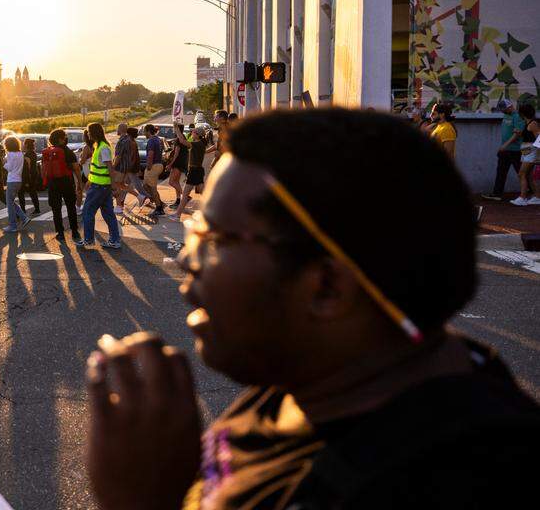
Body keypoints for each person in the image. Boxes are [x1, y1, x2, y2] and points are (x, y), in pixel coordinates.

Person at [84, 108, 540, 510]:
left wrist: (144, 501)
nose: (186, 257)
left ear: (326, 287)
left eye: (214, 238)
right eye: (194, 225)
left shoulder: (438, 480)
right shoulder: (320, 377)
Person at [80, 122, 121, 248]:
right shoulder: (99, 146)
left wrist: (114, 186)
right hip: (101, 185)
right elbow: (98, 168)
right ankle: (114, 240)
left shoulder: (102, 147)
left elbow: (110, 167)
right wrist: (90, 180)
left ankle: (89, 240)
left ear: (94, 133)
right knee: (108, 213)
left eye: (89, 132)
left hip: (100, 187)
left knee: (87, 211)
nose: (88, 134)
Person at [42, 129, 82, 243]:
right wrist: (79, 183)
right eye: (64, 137)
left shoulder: (48, 152)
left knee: (56, 209)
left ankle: (60, 233)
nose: (66, 138)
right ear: (61, 139)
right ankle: (74, 231)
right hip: (66, 182)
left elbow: (43, 169)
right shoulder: (67, 151)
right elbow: (76, 168)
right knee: (71, 207)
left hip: (52, 183)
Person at [483, 98, 526, 201]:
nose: (502, 111)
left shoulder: (517, 117)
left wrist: (505, 145)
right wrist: (503, 146)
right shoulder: (507, 115)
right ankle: (497, 193)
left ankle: (529, 194)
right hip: (505, 150)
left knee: (522, 172)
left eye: (504, 109)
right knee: (501, 171)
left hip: (515, 150)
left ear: (510, 106)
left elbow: (517, 134)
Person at [171, 127, 208, 220]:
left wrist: (177, 130)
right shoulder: (200, 143)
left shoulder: (197, 144)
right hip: (197, 171)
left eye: (193, 132)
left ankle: (177, 215)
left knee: (185, 194)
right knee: (203, 194)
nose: (192, 133)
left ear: (198, 134)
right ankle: (213, 212)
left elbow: (182, 141)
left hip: (194, 171)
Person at [511, 103, 540, 206]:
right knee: (529, 175)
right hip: (526, 151)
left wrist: (537, 153)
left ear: (522, 113)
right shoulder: (527, 123)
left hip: (531, 152)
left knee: (521, 174)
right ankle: (537, 196)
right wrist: (519, 133)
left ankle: (522, 198)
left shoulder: (533, 124)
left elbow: (539, 137)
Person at [0, 136, 30, 233]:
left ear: (7, 145)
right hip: (18, 180)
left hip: (12, 180)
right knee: (11, 202)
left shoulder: (10, 154)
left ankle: (13, 225)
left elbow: (9, 168)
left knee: (9, 204)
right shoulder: (20, 154)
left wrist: (2, 162)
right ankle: (24, 218)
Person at [142, 124, 167, 218]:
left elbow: (150, 154)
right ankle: (160, 203)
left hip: (153, 166)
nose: (144, 133)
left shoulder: (151, 141)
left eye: (144, 131)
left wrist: (148, 166)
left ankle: (159, 208)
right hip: (159, 164)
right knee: (145, 185)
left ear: (148, 131)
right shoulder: (157, 139)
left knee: (152, 188)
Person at [110, 123, 134, 214]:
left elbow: (118, 156)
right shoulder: (128, 139)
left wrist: (113, 166)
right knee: (120, 186)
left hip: (120, 167)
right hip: (125, 166)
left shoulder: (122, 141)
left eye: (117, 128)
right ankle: (119, 205)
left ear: (120, 129)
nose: (117, 130)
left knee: (116, 185)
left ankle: (119, 206)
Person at [18, 137, 42, 215]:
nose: (23, 145)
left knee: (21, 192)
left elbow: (28, 167)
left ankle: (23, 210)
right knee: (33, 192)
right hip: (34, 174)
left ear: (26, 145)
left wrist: (27, 180)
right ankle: (37, 209)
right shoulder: (33, 153)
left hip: (28, 176)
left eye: (24, 143)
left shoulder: (28, 154)